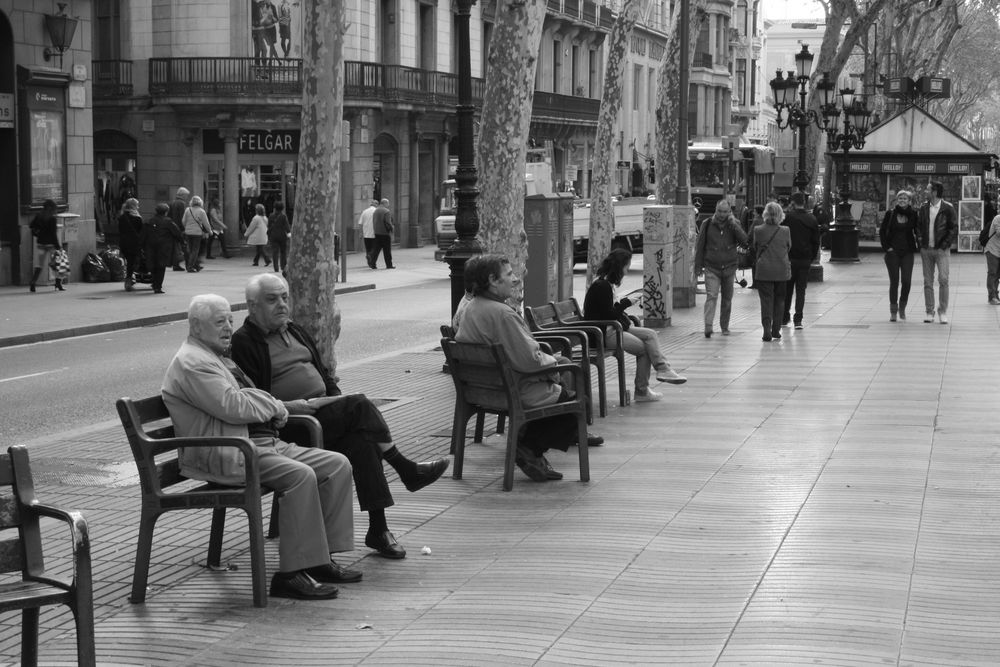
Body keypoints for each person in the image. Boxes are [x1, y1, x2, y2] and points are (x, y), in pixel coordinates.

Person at [230, 273, 449, 559]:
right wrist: (300, 406)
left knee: (363, 441)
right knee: (359, 406)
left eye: (285, 297)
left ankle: (378, 529)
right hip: (291, 425)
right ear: (252, 305)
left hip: (321, 416)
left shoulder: (293, 330)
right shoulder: (245, 342)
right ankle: (405, 468)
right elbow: (257, 401)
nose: (282, 304)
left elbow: (324, 374)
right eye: (272, 300)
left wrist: (334, 398)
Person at [162, 294, 360, 600]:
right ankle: (290, 574)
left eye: (230, 319)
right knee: (300, 476)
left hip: (257, 444)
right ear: (197, 327)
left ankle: (319, 559)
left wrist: (267, 405)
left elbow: (244, 399)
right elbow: (233, 406)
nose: (228, 327)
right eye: (219, 322)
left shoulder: (215, 355)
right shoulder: (193, 362)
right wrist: (273, 404)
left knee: (336, 464)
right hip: (229, 453)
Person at [453, 254, 604, 483]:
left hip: (485, 390)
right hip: (515, 390)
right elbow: (530, 361)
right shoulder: (502, 314)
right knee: (575, 403)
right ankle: (529, 449)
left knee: (563, 373)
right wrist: (553, 366)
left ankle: (527, 440)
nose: (515, 279)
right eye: (509, 274)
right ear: (493, 280)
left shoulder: (471, 308)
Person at [583, 248, 686, 403]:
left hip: (612, 328)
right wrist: (626, 303)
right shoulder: (602, 286)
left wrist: (624, 308)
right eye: (626, 267)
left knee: (650, 334)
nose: (626, 271)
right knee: (644, 350)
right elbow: (608, 315)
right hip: (604, 333)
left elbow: (610, 312)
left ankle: (663, 369)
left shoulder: (606, 284)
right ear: (619, 267)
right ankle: (642, 391)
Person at [694, 200, 748, 337]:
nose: (722, 214)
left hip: (729, 267)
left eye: (725, 212)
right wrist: (698, 266)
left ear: (729, 212)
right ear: (715, 210)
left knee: (727, 299)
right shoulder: (707, 224)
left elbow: (745, 242)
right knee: (711, 296)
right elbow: (700, 246)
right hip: (712, 266)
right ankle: (708, 326)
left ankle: (725, 327)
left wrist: (734, 225)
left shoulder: (734, 224)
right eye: (719, 211)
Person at [916, 181, 957, 324]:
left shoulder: (948, 208)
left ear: (934, 192)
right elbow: (918, 227)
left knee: (944, 280)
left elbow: (953, 229)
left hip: (942, 250)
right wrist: (921, 243)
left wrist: (944, 245)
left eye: (927, 189)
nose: (925, 192)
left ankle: (943, 311)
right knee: (928, 281)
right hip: (926, 250)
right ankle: (929, 312)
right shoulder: (923, 207)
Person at [781, 192, 821, 330]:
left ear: (792, 203)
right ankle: (798, 319)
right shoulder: (812, 219)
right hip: (804, 260)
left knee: (788, 289)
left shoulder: (787, 218)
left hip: (790, 259)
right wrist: (811, 257)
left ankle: (784, 317)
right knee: (801, 290)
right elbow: (816, 241)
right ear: (805, 203)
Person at [753, 202, 792, 342]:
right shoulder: (785, 230)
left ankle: (766, 330)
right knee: (780, 300)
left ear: (765, 214)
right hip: (781, 270)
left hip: (764, 270)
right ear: (780, 215)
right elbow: (789, 247)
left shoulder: (758, 230)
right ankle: (776, 329)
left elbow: (755, 246)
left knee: (766, 301)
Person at [879, 190, 920, 321]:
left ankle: (902, 307)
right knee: (894, 282)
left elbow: (918, 231)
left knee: (907, 282)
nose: (902, 200)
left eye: (905, 199)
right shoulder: (890, 214)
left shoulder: (913, 214)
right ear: (897, 200)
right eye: (900, 198)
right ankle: (893, 311)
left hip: (907, 252)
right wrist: (887, 248)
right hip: (893, 252)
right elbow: (882, 231)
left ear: (909, 201)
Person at [139, 203, 185, 294]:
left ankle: (155, 283)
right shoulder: (168, 221)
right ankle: (157, 286)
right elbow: (177, 233)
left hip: (150, 247)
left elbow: (143, 234)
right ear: (166, 212)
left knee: (153, 265)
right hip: (164, 247)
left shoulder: (149, 221)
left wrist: (140, 246)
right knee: (161, 266)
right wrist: (182, 241)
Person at [28, 199, 64, 292]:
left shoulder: (39, 216)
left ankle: (33, 282)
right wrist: (58, 246)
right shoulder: (52, 218)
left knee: (39, 265)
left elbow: (31, 225)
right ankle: (58, 283)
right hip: (51, 245)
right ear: (51, 208)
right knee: (57, 263)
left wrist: (37, 233)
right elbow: (53, 234)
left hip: (40, 244)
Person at [118, 198, 144, 291]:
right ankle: (128, 282)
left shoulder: (122, 217)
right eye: (137, 205)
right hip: (134, 243)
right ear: (134, 206)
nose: (138, 207)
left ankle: (129, 279)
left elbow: (120, 231)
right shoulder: (137, 217)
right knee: (132, 263)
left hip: (124, 242)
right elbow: (141, 231)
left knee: (128, 262)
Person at [182, 196, 212, 273]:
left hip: (188, 232)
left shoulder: (187, 210)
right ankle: (190, 267)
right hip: (197, 233)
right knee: (195, 250)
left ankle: (193, 265)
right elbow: (206, 223)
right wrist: (210, 231)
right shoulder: (201, 211)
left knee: (190, 249)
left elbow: (183, 221)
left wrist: (187, 227)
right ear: (200, 203)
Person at [168, 187, 190, 271]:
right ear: (182, 195)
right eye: (186, 195)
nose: (187, 197)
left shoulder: (172, 202)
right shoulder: (181, 203)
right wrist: (184, 228)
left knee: (175, 247)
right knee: (185, 246)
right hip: (180, 228)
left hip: (173, 228)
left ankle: (175, 265)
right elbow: (182, 217)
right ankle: (189, 264)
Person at [267, 201, 291, 275]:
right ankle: (283, 266)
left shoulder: (271, 216)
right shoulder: (283, 216)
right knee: (283, 252)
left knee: (275, 252)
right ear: (282, 208)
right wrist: (289, 233)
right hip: (282, 236)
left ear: (274, 208)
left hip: (273, 236)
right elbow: (286, 226)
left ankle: (276, 267)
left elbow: (268, 226)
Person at [371, 199, 395, 269]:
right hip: (384, 233)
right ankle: (389, 265)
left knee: (376, 249)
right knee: (387, 250)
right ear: (385, 203)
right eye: (388, 204)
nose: (388, 205)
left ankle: (373, 264)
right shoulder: (386, 211)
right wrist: (391, 229)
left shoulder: (376, 210)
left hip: (377, 232)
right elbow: (388, 222)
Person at [983, 209, 1000, 304]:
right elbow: (998, 232)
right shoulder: (998, 218)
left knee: (997, 274)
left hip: (999, 250)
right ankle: (991, 296)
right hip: (992, 250)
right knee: (992, 273)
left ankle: (996, 295)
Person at [357, 199, 378, 269]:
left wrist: (360, 233)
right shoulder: (376, 211)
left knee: (368, 248)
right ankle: (371, 257)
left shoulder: (364, 211)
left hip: (366, 234)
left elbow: (360, 223)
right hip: (374, 233)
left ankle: (369, 258)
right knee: (374, 248)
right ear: (376, 204)